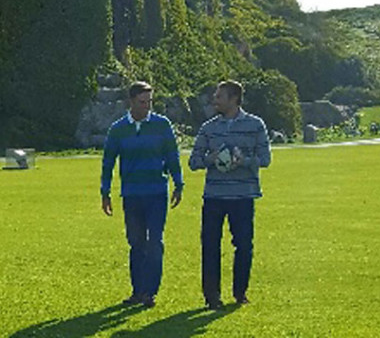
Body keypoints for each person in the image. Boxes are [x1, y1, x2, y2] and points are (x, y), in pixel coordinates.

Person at [100, 81, 184, 309]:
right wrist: (105, 192)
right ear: (131, 102)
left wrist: (179, 183)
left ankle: (150, 292)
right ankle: (137, 291)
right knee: (136, 243)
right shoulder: (118, 129)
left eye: (149, 102)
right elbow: (108, 162)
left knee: (154, 242)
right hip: (131, 195)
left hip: (157, 193)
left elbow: (172, 156)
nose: (147, 106)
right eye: (142, 102)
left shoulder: (161, 125)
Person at [188, 79, 271, 309]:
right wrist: (209, 160)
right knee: (210, 245)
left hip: (243, 196)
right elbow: (193, 162)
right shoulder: (208, 128)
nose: (215, 100)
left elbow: (265, 159)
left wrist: (243, 161)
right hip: (214, 197)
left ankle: (240, 293)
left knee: (244, 245)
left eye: (219, 96)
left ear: (234, 99)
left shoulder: (256, 125)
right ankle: (211, 297)